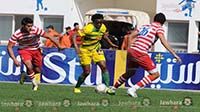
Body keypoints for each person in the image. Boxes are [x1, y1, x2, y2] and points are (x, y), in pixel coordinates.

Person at [111, 13, 182, 97]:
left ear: (154, 19)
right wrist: (174, 54)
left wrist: (129, 48)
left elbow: (130, 36)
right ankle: (133, 89)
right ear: (163, 22)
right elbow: (163, 41)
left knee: (131, 71)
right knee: (155, 74)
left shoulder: (145, 26)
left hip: (132, 50)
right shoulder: (159, 28)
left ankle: (113, 88)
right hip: (140, 52)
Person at [7, 17, 62, 91]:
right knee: (29, 66)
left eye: (31, 26)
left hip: (36, 49)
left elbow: (49, 36)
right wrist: (14, 60)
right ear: (23, 26)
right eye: (28, 26)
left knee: (37, 70)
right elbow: (9, 47)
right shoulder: (17, 34)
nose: (30, 28)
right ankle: (34, 84)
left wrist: (58, 45)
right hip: (24, 50)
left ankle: (25, 75)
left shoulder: (35, 30)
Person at [73, 14, 118, 95]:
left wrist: (111, 44)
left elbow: (104, 35)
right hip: (85, 50)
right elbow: (74, 35)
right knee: (86, 72)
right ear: (93, 22)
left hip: (96, 49)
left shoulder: (103, 27)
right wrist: (76, 47)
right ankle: (77, 87)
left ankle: (107, 88)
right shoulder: (88, 28)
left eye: (101, 22)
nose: (99, 24)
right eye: (97, 22)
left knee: (103, 66)